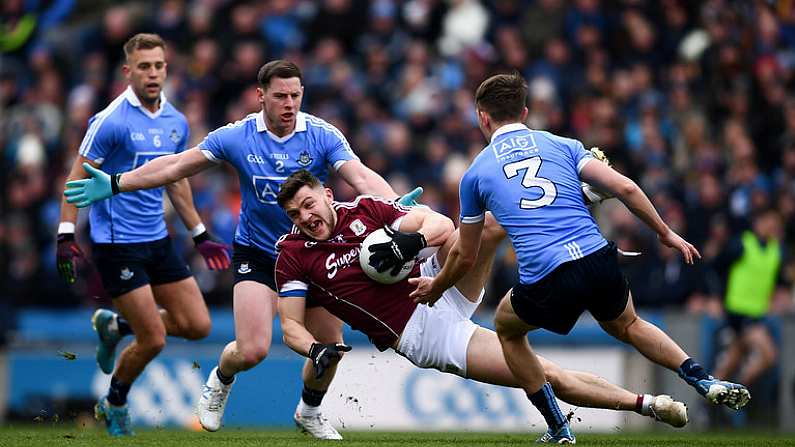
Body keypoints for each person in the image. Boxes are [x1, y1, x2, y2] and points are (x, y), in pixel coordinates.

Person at [64, 60, 420, 439]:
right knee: (251, 350)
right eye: (280, 95)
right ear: (260, 95)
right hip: (260, 252)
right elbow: (177, 166)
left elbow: (359, 174)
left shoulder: (321, 134)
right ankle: (220, 379)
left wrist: (396, 203)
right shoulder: (237, 136)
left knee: (330, 347)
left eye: (295, 95)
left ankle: (309, 411)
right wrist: (118, 183)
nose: (289, 104)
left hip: (313, 255)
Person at [409, 72, 751, 421]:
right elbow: (627, 189)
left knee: (506, 329)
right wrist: (665, 232)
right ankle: (702, 377)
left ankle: (558, 426)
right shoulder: (563, 145)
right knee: (629, 325)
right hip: (597, 256)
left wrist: (437, 285)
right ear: (524, 113)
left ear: (482, 117)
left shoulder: (476, 174)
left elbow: (465, 255)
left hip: (547, 273)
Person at [273, 169, 689, 444]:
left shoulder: (363, 209)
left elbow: (439, 224)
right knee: (547, 374)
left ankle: (577, 196)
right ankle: (647, 404)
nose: (306, 216)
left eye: (309, 204)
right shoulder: (292, 254)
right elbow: (291, 325)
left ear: (326, 195)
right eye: (295, 213)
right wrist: (313, 349)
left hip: (436, 284)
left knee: (487, 225)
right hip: (423, 333)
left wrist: (411, 242)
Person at [56, 33, 230, 437]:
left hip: (158, 238)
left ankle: (116, 327)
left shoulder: (176, 122)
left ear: (167, 68)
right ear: (128, 71)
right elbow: (75, 178)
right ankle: (114, 402)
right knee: (153, 338)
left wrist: (200, 233)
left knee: (198, 325)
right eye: (144, 66)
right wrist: (66, 234)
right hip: (117, 244)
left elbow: (176, 180)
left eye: (159, 66)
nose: (153, 73)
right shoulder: (110, 121)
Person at [713, 208, 784, 388]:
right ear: (758, 222)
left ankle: (708, 401)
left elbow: (777, 280)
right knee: (769, 355)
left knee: (732, 360)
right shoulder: (742, 244)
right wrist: (716, 297)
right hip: (739, 312)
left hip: (757, 312)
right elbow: (716, 266)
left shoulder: (776, 250)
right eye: (769, 221)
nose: (772, 226)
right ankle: (737, 392)